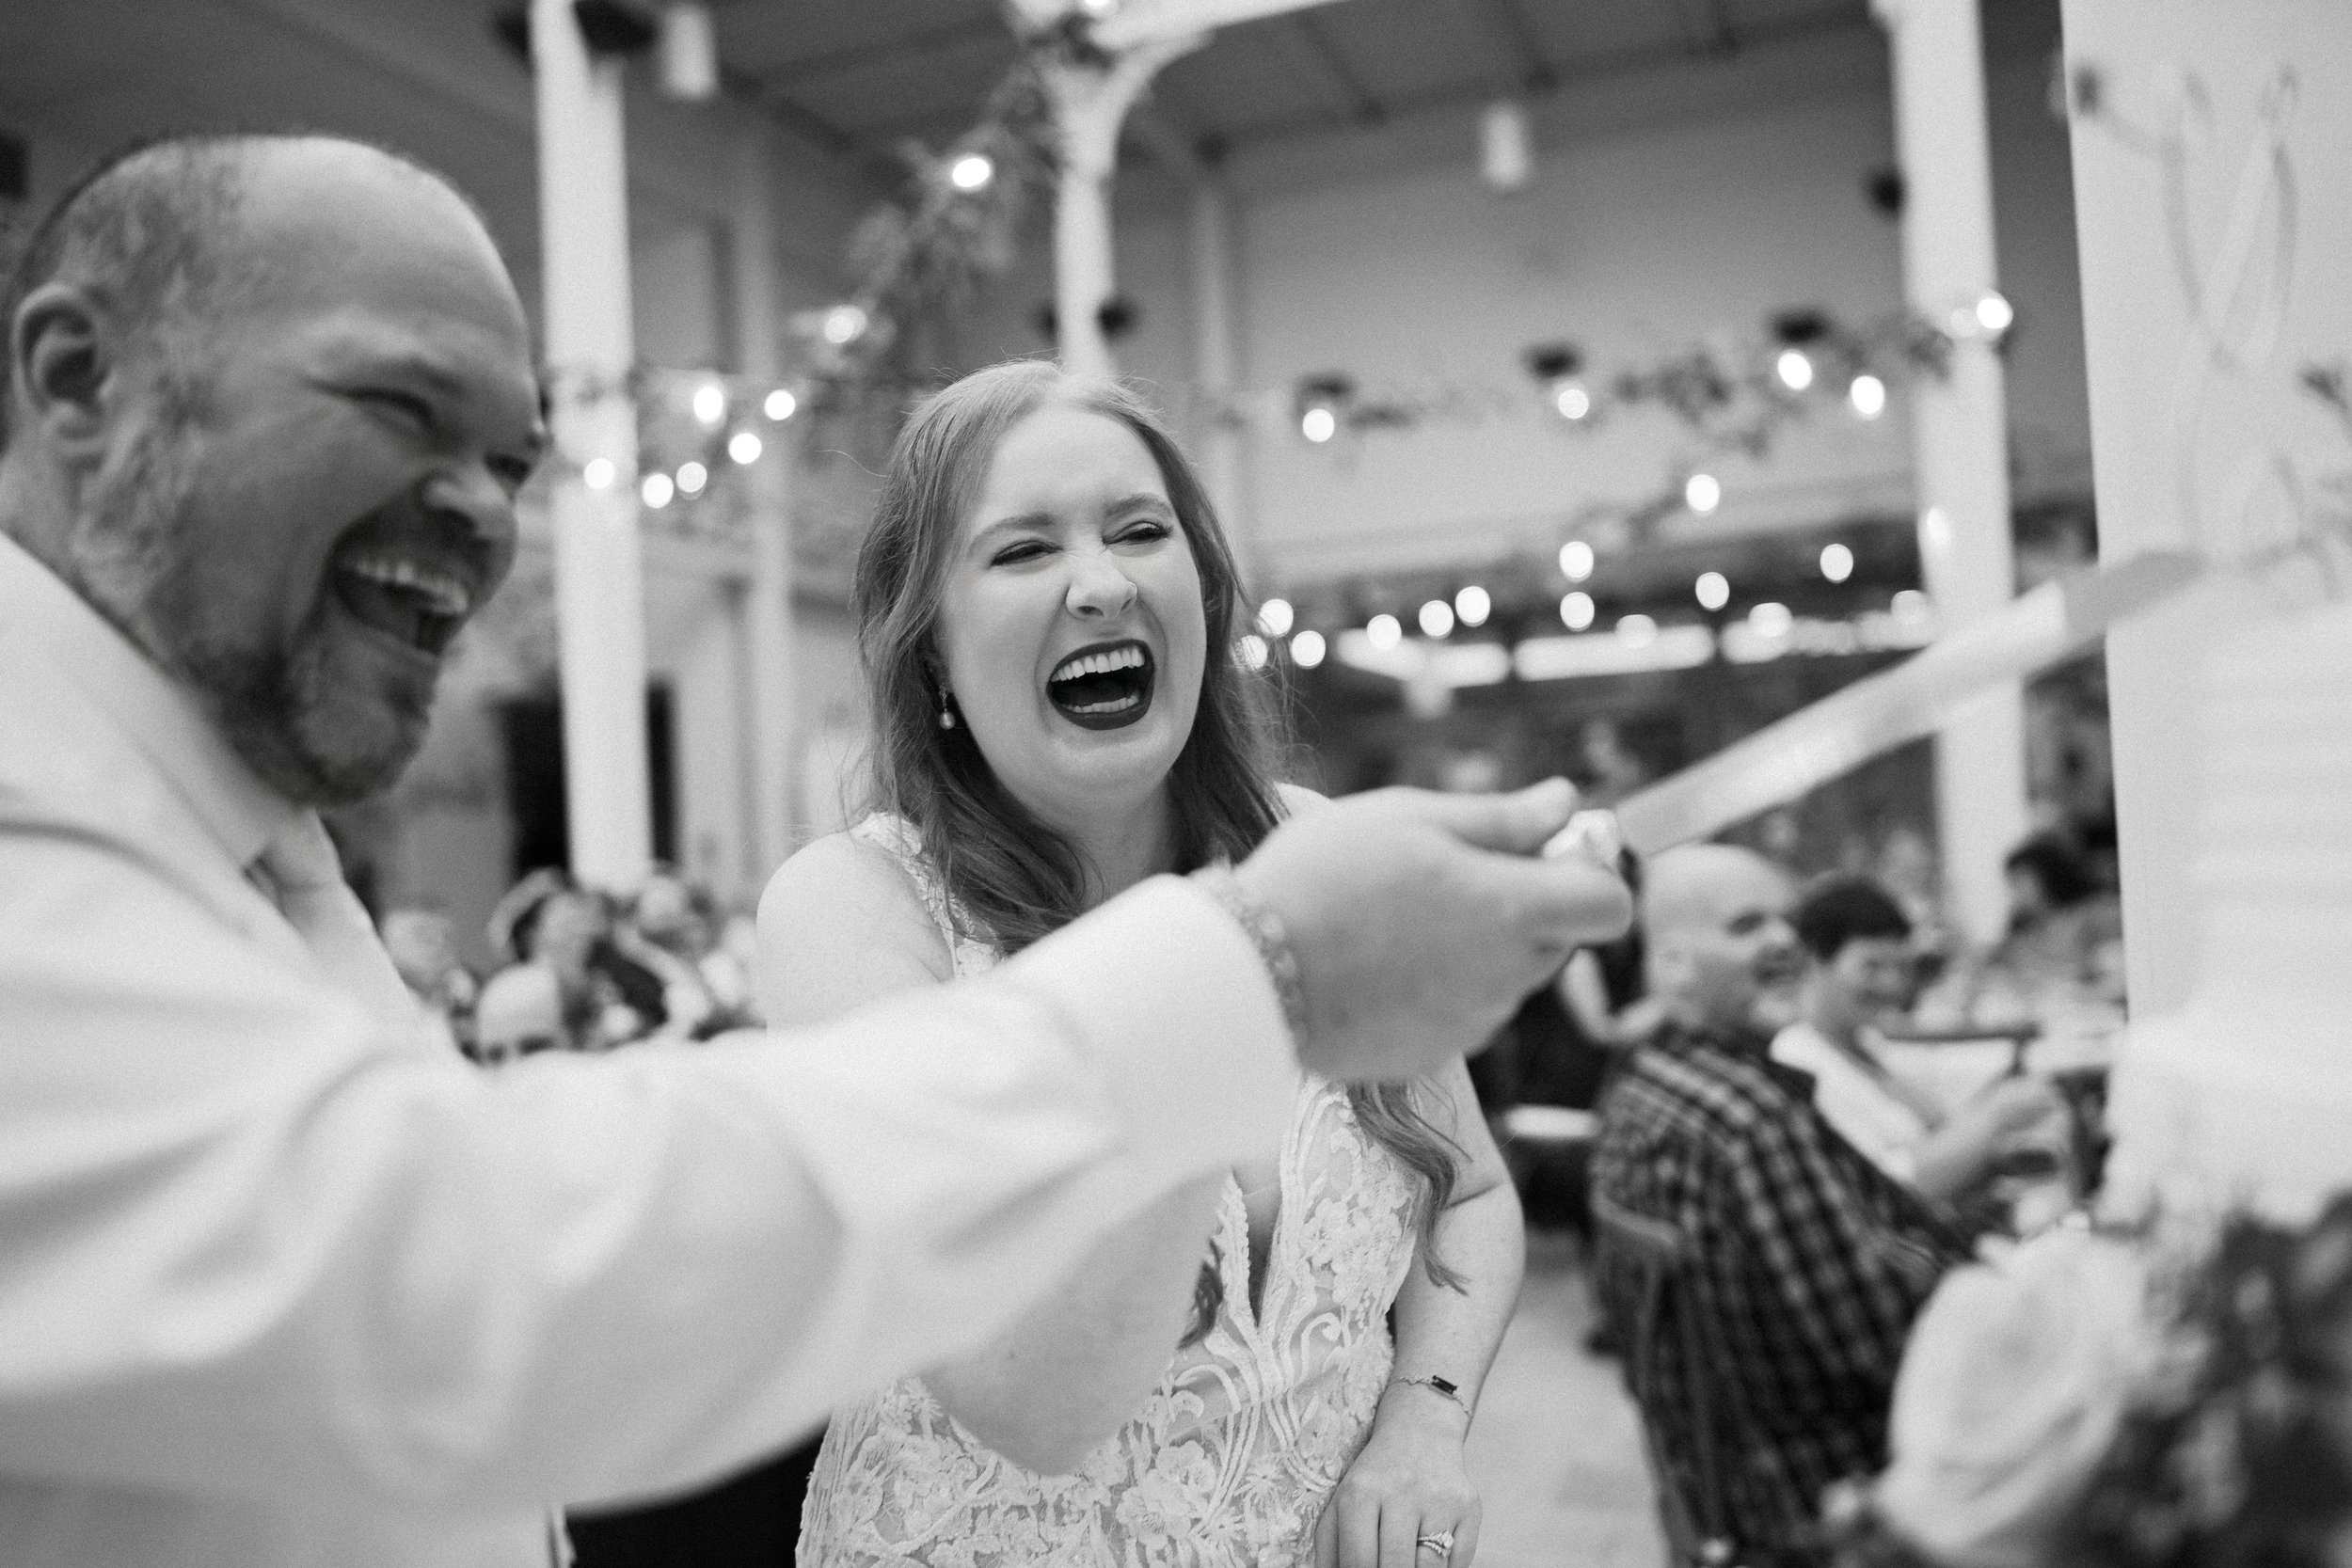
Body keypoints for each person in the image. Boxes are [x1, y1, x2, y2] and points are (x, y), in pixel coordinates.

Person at [0, 132, 1631, 1568]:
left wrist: (1420, 1410)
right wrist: (1254, 977)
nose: (485, 518)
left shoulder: (244, 848)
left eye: (510, 462)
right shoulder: (39, 828)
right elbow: (470, 1271)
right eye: (396, 404)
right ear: (79, 381)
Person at [764, 361, 1528, 1568]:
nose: (1103, 582)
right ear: (931, 652)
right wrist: (1233, 972)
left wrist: (1421, 1420)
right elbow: (1018, 1384)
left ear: (1203, 595)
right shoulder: (855, 909)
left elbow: (1472, 1194)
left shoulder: (1308, 846)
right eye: (1022, 550)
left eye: (1138, 530)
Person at [1589, 845, 1971, 1568]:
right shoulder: (1749, 1122)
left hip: (1720, 1486)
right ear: (1672, 964)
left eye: (1787, 920)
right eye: (1746, 924)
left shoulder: (1641, 1086)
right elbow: (1889, 1343)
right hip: (1824, 1497)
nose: (1784, 940)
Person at [1772, 876, 2068, 1208]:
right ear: (1814, 959)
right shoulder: (1797, 1061)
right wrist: (1994, 1116)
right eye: (1871, 967)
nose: (1890, 984)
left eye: (1899, 967)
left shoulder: (1870, 1044)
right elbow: (1881, 1187)